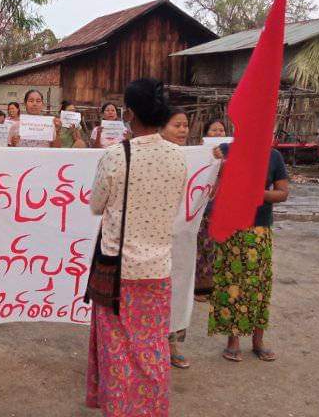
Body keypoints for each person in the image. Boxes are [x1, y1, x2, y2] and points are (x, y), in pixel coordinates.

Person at [86, 78, 186, 416]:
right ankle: (152, 409)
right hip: (158, 268)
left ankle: (119, 408)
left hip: (116, 269)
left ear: (129, 113)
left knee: (116, 349)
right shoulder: (178, 157)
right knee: (154, 345)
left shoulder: (117, 156)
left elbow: (96, 205)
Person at [209, 138, 290, 363]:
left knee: (259, 285)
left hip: (259, 229)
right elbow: (211, 186)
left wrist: (257, 194)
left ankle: (258, 341)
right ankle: (232, 341)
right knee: (232, 282)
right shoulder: (226, 151)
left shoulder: (273, 156)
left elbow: (283, 193)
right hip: (231, 227)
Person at [159, 106, 193, 369]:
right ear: (162, 128)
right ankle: (153, 344)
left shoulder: (199, 157)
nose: (182, 130)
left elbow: (207, 194)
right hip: (152, 235)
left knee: (178, 284)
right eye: (176, 125)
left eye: (185, 125)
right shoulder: (152, 155)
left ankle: (171, 343)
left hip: (181, 236)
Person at [193, 118, 228, 303]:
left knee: (220, 248)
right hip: (203, 207)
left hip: (224, 208)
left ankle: (219, 286)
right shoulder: (201, 154)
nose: (217, 133)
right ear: (206, 135)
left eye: (221, 131)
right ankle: (200, 287)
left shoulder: (232, 154)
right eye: (213, 130)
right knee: (203, 247)